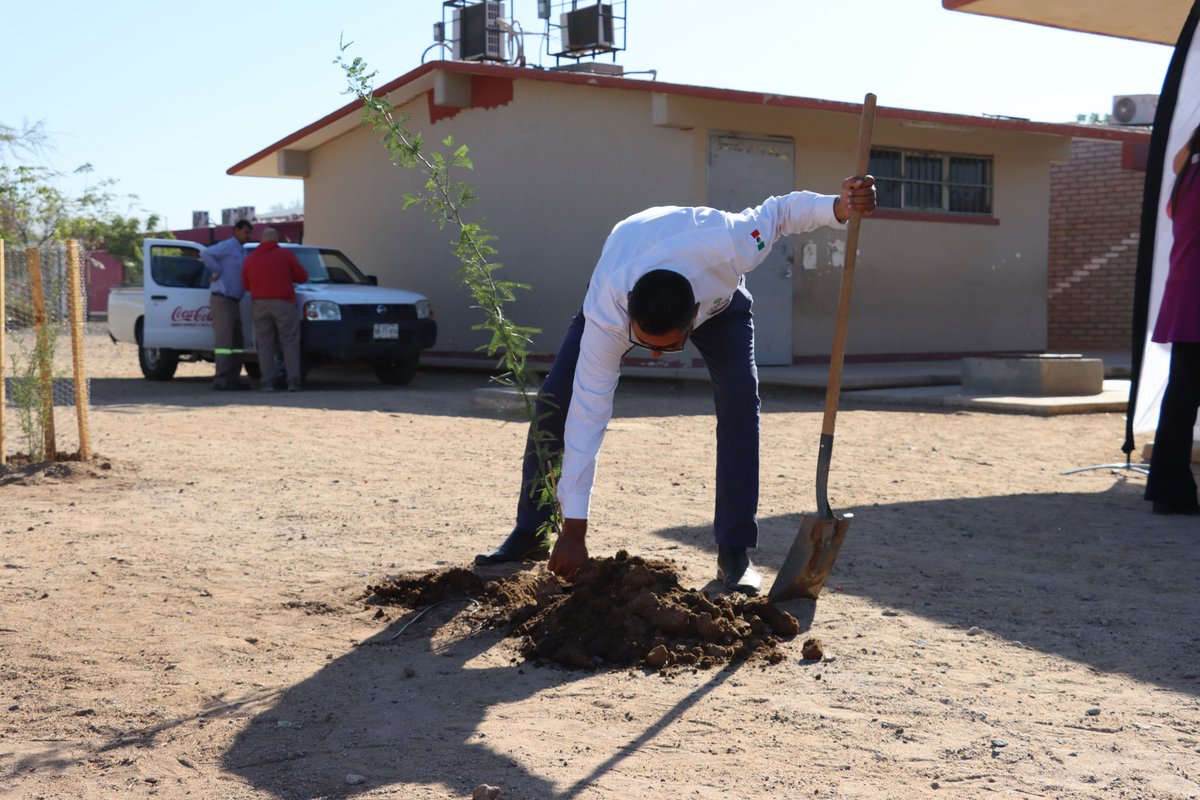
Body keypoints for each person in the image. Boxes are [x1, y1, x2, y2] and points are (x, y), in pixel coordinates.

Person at [475, 177, 877, 594]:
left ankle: (734, 553)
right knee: (557, 402)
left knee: (741, 401)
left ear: (692, 320)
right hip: (629, 254)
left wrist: (839, 206)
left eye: (666, 348)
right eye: (645, 344)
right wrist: (574, 530)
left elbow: (781, 212)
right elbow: (588, 415)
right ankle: (532, 531)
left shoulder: (734, 243)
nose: (651, 356)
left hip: (721, 300)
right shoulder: (609, 314)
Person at [1145, 123, 1200, 516]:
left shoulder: (1186, 180)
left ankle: (1169, 490)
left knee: (1180, 398)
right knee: (1182, 398)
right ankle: (1171, 490)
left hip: (1185, 297)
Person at [242, 227, 308, 393]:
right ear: (276, 240)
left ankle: (267, 382)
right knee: (289, 342)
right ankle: (293, 381)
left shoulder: (251, 259)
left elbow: (246, 284)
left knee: (264, 344)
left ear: (261, 240)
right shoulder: (285, 255)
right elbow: (302, 277)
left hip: (259, 304)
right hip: (283, 303)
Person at [201, 219, 253, 390]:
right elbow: (206, 253)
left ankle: (233, 377)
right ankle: (221, 378)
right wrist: (217, 270)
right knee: (225, 342)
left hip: (234, 300)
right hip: (222, 299)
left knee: (236, 342)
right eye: (245, 232)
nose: (248, 235)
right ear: (236, 230)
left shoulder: (243, 251)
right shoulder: (227, 246)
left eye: (249, 232)